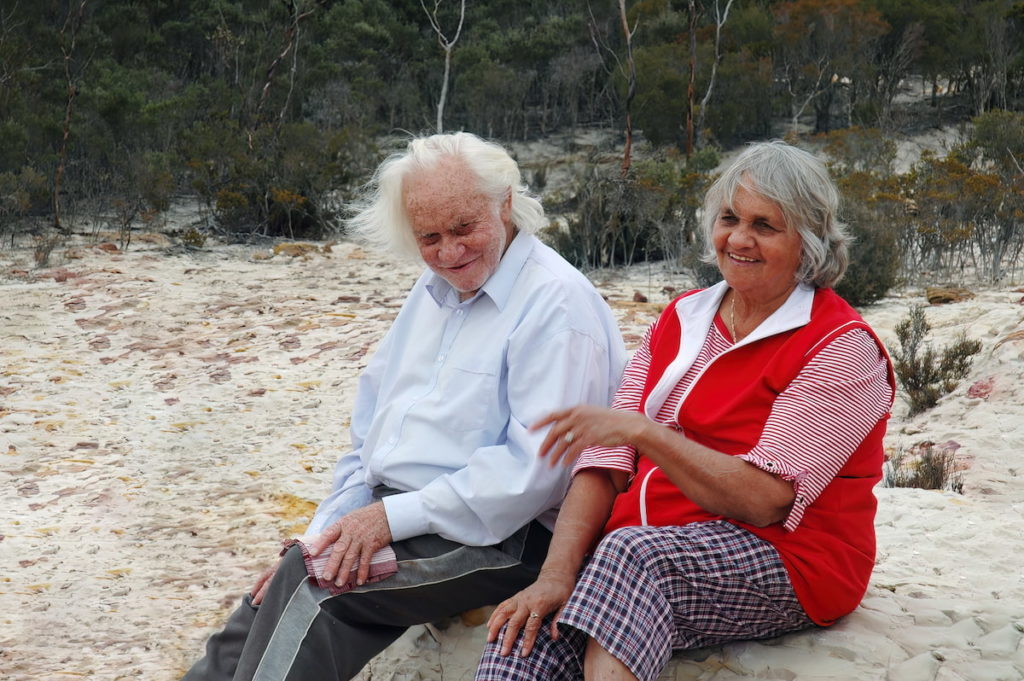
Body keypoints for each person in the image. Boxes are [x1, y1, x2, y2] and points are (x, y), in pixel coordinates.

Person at [180, 132, 625, 681]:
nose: (448, 252)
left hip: (509, 536)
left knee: (317, 592)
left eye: (464, 229)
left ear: (505, 202)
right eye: (429, 237)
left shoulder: (556, 303)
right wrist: (326, 529)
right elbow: (372, 438)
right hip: (414, 515)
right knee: (262, 603)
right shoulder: (432, 289)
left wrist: (385, 520)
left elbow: (531, 476)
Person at [475, 140, 896, 681]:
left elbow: (766, 499)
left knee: (633, 556)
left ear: (808, 241)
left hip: (790, 560)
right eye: (729, 218)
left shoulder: (838, 344)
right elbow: (606, 461)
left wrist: (645, 433)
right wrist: (557, 574)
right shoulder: (683, 316)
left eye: (766, 225)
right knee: (525, 628)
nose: (739, 239)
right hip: (646, 546)